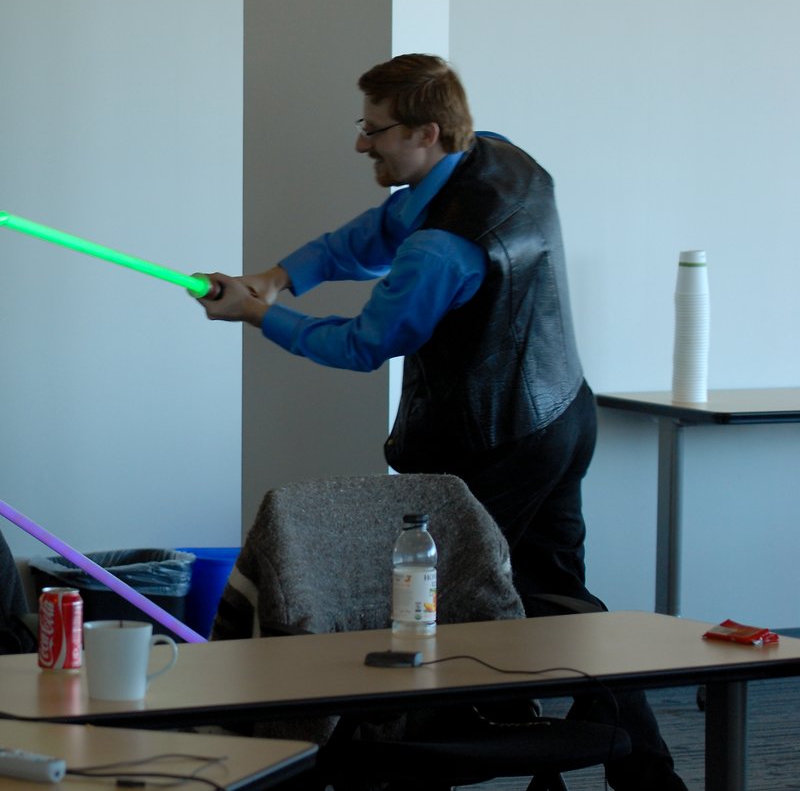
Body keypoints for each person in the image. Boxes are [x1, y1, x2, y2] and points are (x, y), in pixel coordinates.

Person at [197, 53, 686, 790]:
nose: (362, 143)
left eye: (376, 131)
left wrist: (261, 314)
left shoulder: (443, 250)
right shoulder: (494, 155)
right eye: (362, 126)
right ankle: (636, 773)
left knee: (455, 601)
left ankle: (435, 769)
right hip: (561, 413)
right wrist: (282, 274)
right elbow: (372, 232)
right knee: (559, 604)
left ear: (426, 131)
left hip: (502, 442)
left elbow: (365, 343)